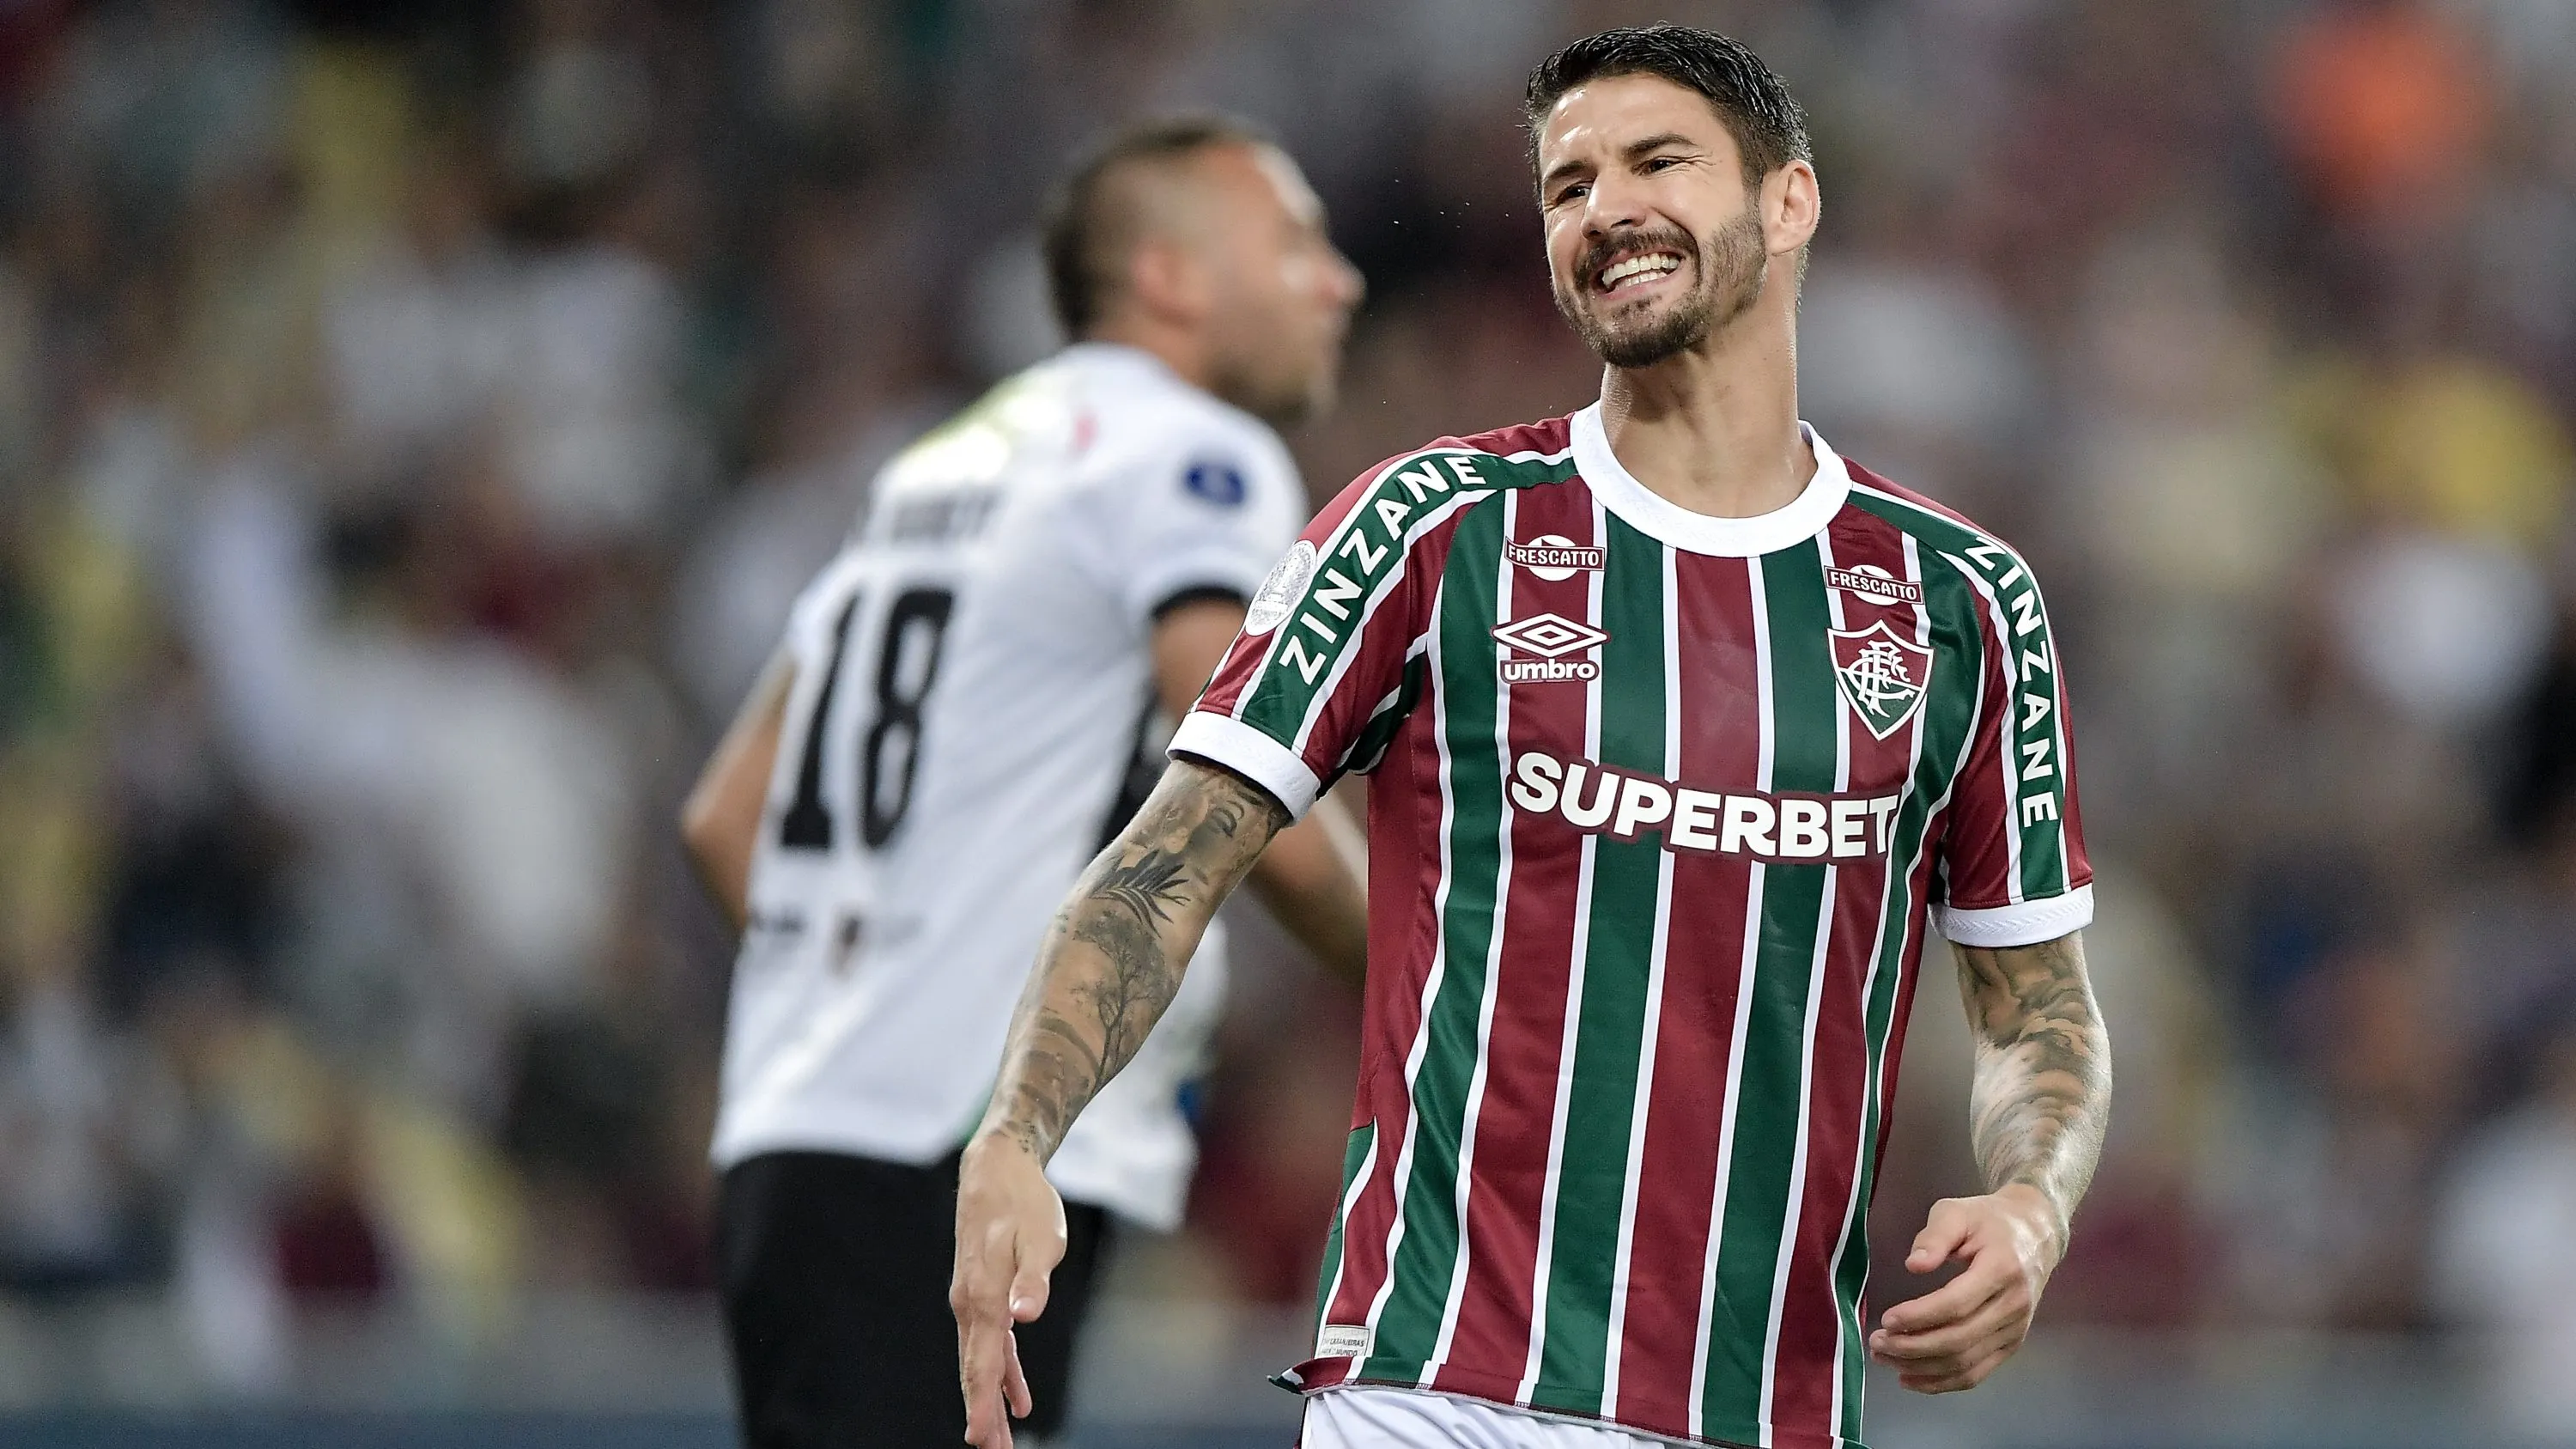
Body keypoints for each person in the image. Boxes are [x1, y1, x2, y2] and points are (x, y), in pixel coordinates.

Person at [952, 26, 2111, 1449]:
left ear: (1789, 201)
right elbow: (1164, 865)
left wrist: (2033, 1200)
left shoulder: (1960, 602)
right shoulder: (1435, 526)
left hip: (1770, 1413)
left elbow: (2037, 1006)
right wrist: (1018, 1134)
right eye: (1568, 185)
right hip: (1443, 1391)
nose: (1605, 208)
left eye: (1656, 162)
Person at [680, 115, 1370, 1447]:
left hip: (796, 1133)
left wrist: (867, 996)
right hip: (957, 1149)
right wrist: (1456, 982)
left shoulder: (939, 467)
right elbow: (1241, 775)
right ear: (1168, 275)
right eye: (1291, 241)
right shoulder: (1183, 453)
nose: (1335, 279)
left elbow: (728, 813)